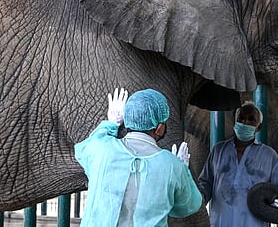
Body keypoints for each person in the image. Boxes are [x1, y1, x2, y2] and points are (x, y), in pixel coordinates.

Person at [75, 88, 202, 226]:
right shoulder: (172, 165)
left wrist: (111, 123)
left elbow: (82, 151)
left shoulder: (102, 149)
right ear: (159, 128)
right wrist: (183, 171)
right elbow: (187, 207)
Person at [198, 101, 278, 227]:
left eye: (251, 119)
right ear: (235, 122)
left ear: (259, 127)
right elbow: (205, 183)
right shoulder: (218, 151)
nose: (245, 122)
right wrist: (197, 198)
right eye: (241, 118)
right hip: (220, 222)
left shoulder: (269, 156)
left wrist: (277, 199)